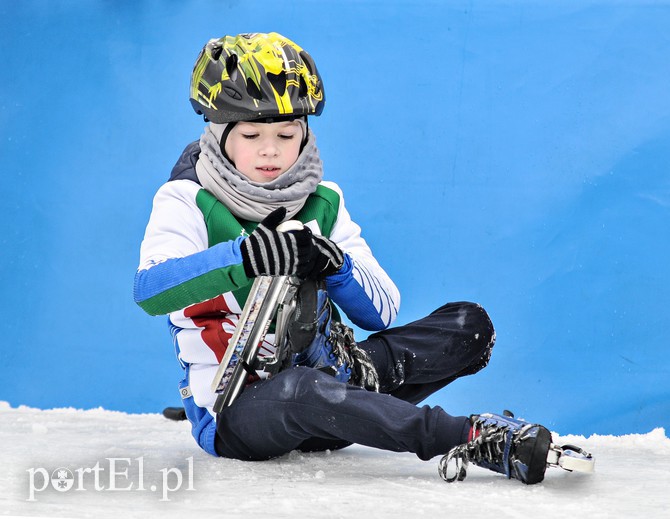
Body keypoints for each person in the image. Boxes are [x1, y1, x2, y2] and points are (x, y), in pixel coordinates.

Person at [134, 32, 561, 484]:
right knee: (300, 391)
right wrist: (246, 256)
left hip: (331, 380)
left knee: (469, 326)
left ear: (304, 133)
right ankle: (468, 437)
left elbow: (382, 313)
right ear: (219, 134)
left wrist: (336, 268)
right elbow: (150, 291)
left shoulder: (324, 200)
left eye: (286, 134)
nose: (270, 150)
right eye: (251, 134)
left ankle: (351, 400)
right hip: (239, 410)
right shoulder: (185, 199)